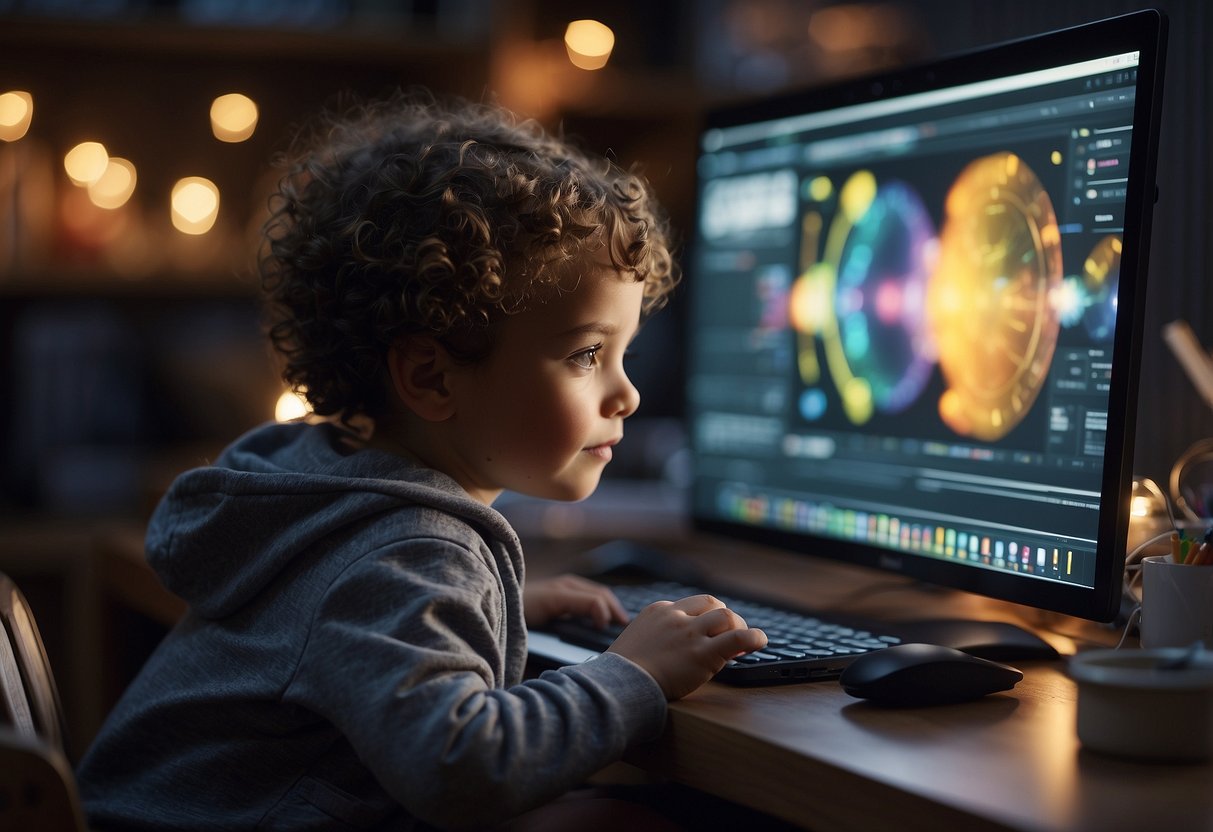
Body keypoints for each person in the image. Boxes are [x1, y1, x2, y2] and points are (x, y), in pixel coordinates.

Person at [75, 90, 768, 831]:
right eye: (586, 354)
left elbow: (340, 623)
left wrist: (488, 609)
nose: (625, 393)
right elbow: (462, 770)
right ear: (433, 378)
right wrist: (633, 675)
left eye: (622, 352)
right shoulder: (403, 557)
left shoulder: (320, 487)